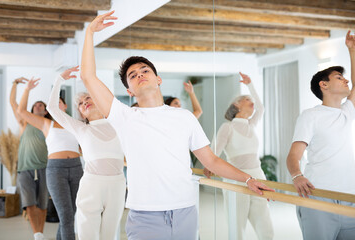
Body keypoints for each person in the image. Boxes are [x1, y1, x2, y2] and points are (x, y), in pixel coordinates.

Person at [80, 11, 273, 240]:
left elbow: (211, 160)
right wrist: (90, 32)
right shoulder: (124, 116)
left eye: (145, 71)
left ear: (158, 79)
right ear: (129, 91)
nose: (140, 75)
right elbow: (88, 76)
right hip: (145, 217)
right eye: (133, 75)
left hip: (186, 212)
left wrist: (248, 180)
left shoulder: (184, 117)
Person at [286, 30, 355, 240]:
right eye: (339, 77)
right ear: (323, 85)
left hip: (349, 199)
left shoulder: (347, 111)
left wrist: (352, 51)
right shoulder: (310, 116)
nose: (346, 81)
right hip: (319, 199)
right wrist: (297, 176)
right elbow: (294, 155)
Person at [47, 66, 126, 240]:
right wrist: (59, 79)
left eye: (88, 98)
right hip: (92, 185)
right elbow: (52, 108)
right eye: (80, 104)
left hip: (117, 184)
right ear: (81, 113)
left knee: (110, 235)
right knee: (87, 234)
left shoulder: (118, 122)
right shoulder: (80, 128)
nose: (84, 103)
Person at [205, 73, 274, 240]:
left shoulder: (251, 124)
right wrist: (209, 167)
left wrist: (250, 85)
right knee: (237, 225)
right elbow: (213, 152)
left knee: (265, 223)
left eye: (252, 100)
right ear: (236, 105)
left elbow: (261, 107)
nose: (252, 103)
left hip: (257, 174)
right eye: (247, 99)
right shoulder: (227, 127)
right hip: (235, 178)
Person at [17, 77, 82, 240]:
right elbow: (21, 112)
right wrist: (27, 89)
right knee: (66, 216)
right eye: (53, 104)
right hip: (56, 169)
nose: (57, 105)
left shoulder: (76, 124)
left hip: (76, 168)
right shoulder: (46, 124)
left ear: (66, 106)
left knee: (71, 215)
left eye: (60, 102)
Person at [10, 77, 49, 240]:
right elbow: (13, 103)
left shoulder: (48, 124)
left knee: (42, 204)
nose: (37, 106)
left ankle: (40, 233)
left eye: (41, 105)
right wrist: (15, 84)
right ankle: (36, 234)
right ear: (31, 110)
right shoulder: (24, 123)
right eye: (35, 105)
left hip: (45, 168)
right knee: (30, 203)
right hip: (25, 169)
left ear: (45, 111)